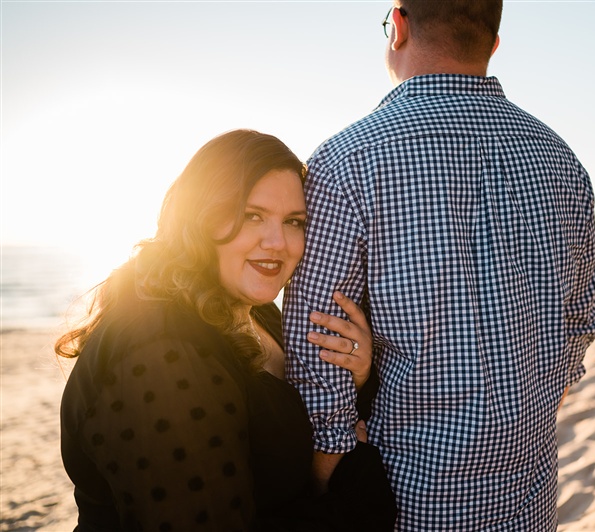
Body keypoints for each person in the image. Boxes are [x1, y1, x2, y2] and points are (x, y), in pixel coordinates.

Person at [282, 1, 595, 529]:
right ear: (493, 45)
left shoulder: (346, 160)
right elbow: (579, 322)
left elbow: (315, 343)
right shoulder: (563, 162)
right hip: (528, 494)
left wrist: (327, 476)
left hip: (401, 500)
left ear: (399, 26)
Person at [56, 129, 396, 531]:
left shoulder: (260, 314)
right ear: (199, 218)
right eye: (252, 215)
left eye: (294, 222)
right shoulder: (161, 352)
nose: (277, 242)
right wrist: (359, 502)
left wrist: (356, 377)